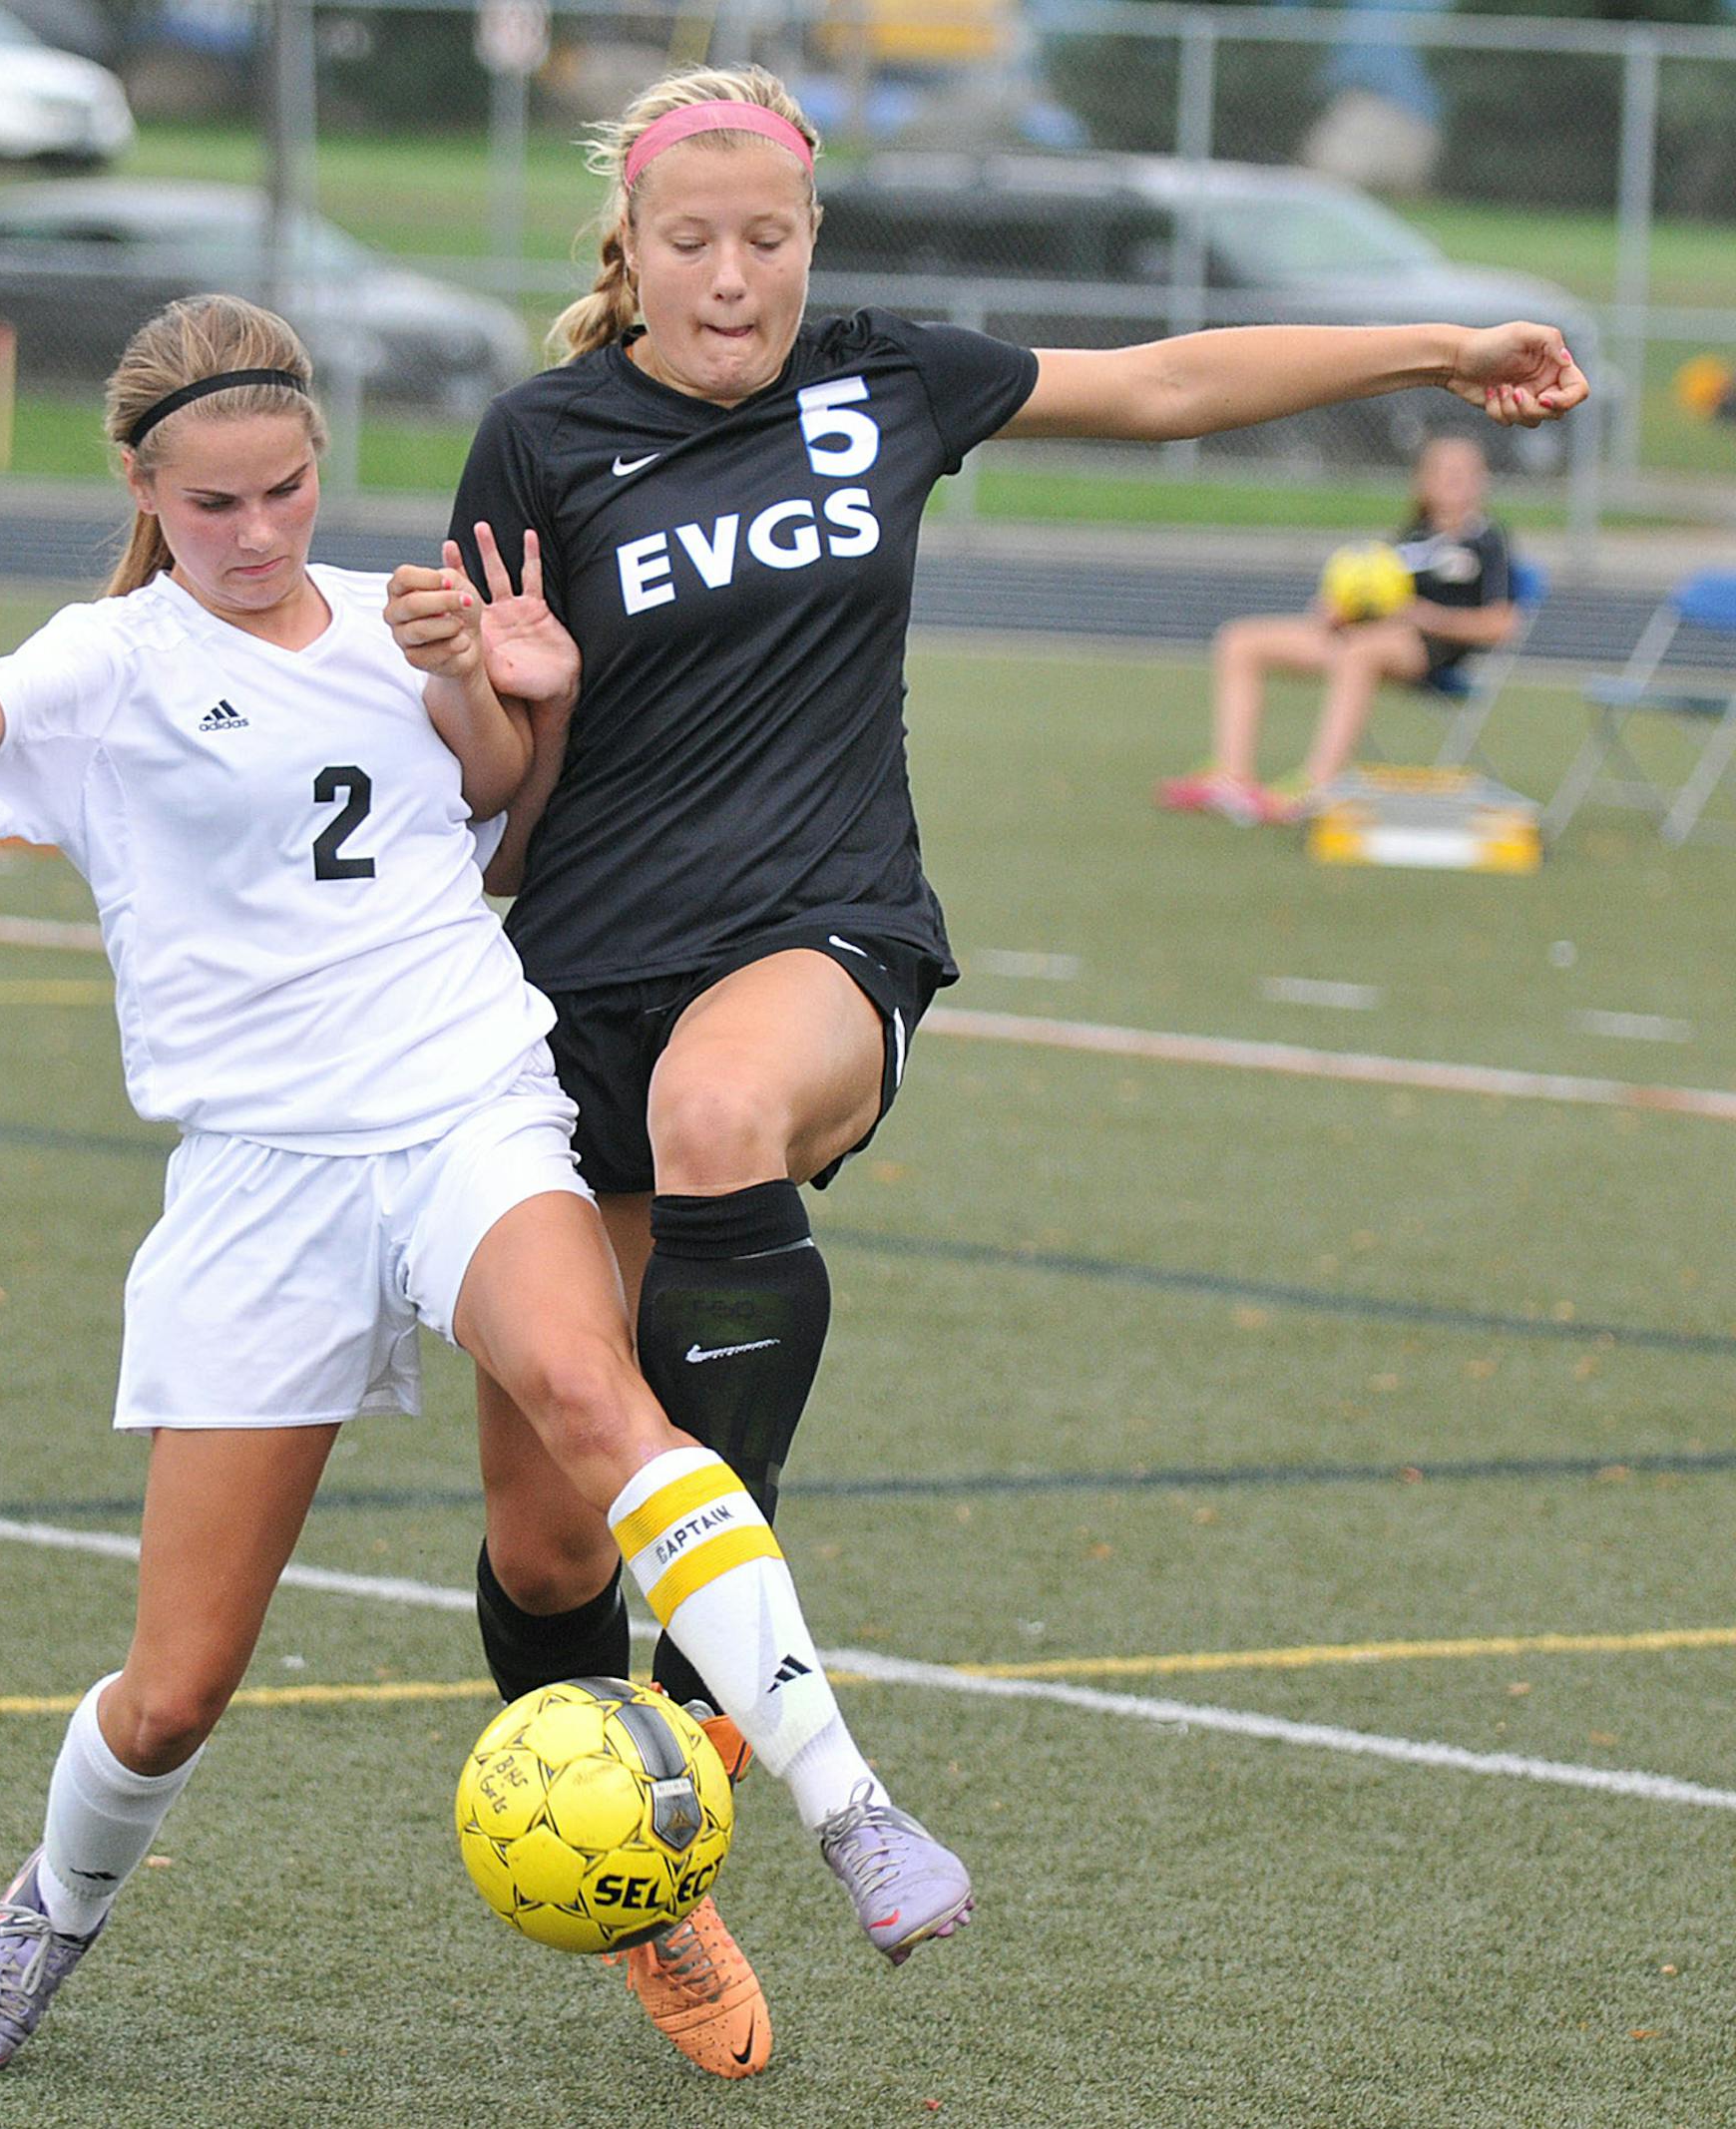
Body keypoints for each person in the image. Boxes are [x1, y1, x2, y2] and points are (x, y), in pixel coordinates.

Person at [441, 64, 1588, 2080]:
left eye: (769, 239)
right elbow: (499, 804)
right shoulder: (540, 441)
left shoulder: (890, 380)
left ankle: (720, 1672)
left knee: (725, 1116)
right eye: (690, 243)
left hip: (820, 935)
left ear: (813, 244)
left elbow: (1160, 381)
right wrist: (492, 698)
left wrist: (1441, 339)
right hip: (567, 982)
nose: (733, 277)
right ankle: (659, 1884)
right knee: (544, 1547)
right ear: (629, 251)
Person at [0, 292, 973, 2078]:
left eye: (290, 490)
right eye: (219, 505)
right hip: (260, 1171)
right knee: (175, 1690)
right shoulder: (111, 655)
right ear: (153, 492)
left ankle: (849, 1805)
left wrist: (488, 677)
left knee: (590, 1395)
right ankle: (48, 1906)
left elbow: (490, 806)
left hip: (465, 1100)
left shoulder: (404, 612)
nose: (260, 534)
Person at [1156, 433, 1518, 824]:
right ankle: (1230, 777)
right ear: (1422, 481)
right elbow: (1375, 595)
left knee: (1358, 652)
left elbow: (1500, 625)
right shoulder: (1410, 537)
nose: (1455, 481)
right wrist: (1340, 610)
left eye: (1465, 473)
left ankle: (1319, 784)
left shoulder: (1487, 541)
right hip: (1364, 636)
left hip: (1428, 651)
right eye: (1446, 472)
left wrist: (1427, 616)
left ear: (1482, 481)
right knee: (1240, 640)